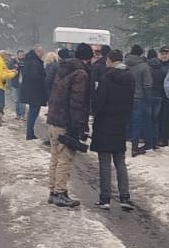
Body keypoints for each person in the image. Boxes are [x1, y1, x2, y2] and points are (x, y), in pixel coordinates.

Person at [46, 43, 93, 208]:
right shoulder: (80, 74)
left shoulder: (63, 68)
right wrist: (77, 125)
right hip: (66, 122)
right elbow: (77, 102)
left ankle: (53, 191)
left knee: (55, 157)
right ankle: (60, 192)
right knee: (65, 159)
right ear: (88, 58)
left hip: (54, 119)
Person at [91, 49, 136, 211]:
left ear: (110, 61)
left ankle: (105, 198)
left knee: (104, 162)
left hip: (105, 123)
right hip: (120, 122)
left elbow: (99, 104)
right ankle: (125, 196)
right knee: (120, 161)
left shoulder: (106, 78)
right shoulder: (130, 78)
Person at [125, 45, 152, 156]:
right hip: (138, 97)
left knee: (126, 120)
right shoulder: (144, 67)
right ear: (141, 54)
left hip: (125, 97)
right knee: (137, 122)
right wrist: (148, 98)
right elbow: (147, 84)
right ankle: (135, 147)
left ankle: (122, 143)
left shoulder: (124, 64)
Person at [19, 46, 48, 140]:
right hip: (35, 91)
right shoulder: (35, 62)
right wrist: (44, 78)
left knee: (32, 111)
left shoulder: (29, 60)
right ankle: (30, 133)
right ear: (38, 52)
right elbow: (36, 77)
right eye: (42, 53)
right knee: (33, 112)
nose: (43, 55)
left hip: (30, 91)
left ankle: (30, 132)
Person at [154, 47, 169, 147]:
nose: (164, 55)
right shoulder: (157, 64)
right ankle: (157, 137)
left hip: (168, 97)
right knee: (157, 117)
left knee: (166, 119)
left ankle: (164, 139)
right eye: (162, 53)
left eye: (166, 53)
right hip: (157, 94)